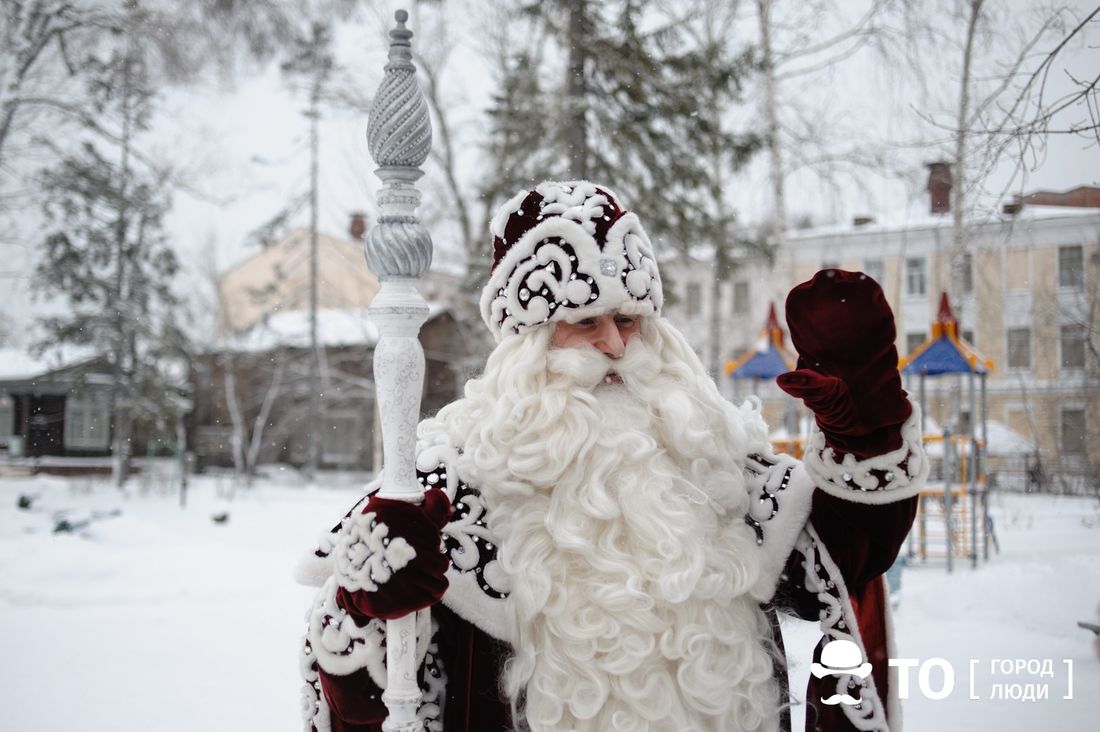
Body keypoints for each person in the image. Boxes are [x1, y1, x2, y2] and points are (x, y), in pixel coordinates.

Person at [296, 181, 927, 732]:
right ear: (527, 346)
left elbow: (852, 556)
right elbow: (358, 696)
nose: (615, 345)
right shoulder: (444, 489)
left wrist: (866, 430)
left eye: (628, 319)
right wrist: (366, 604)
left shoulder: (718, 466)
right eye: (583, 321)